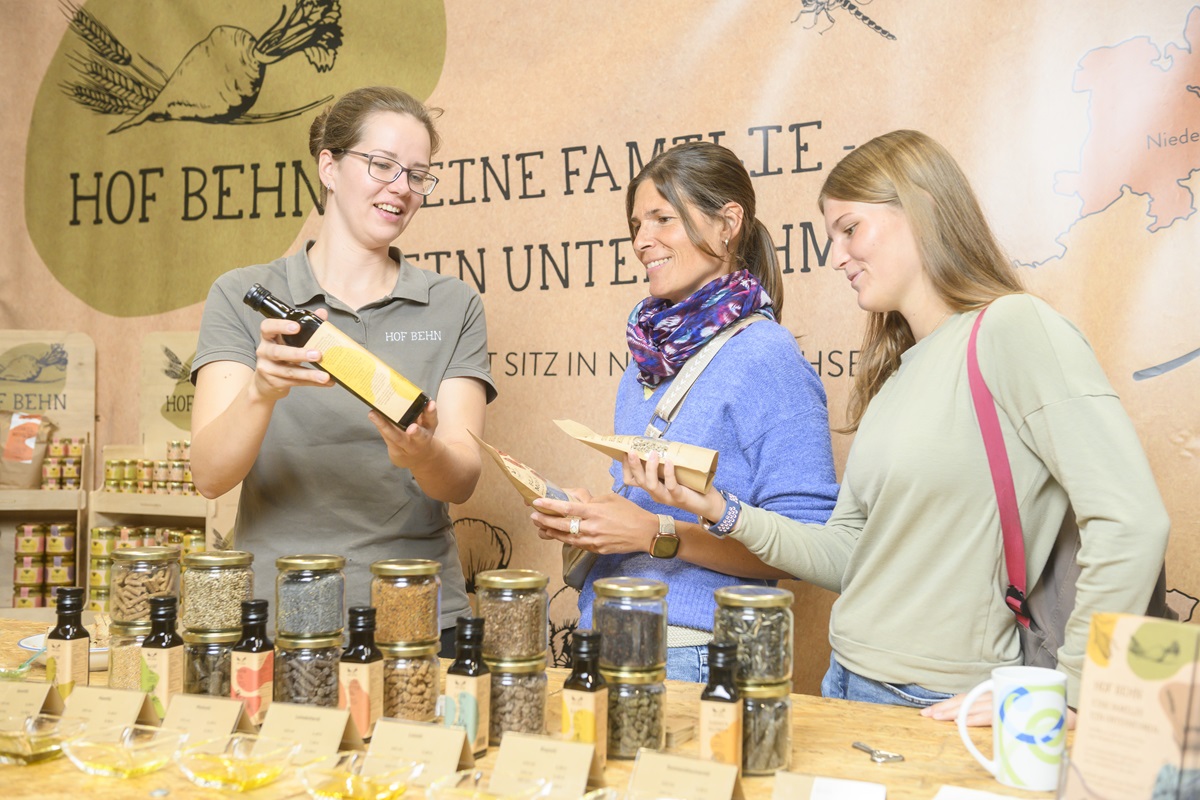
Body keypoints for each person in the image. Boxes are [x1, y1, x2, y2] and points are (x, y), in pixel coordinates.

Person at [625, 129, 1171, 718]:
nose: (837, 257)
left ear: (923, 209)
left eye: (850, 229)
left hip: (941, 700)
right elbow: (847, 555)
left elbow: (1131, 520)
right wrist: (717, 508)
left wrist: (1072, 691)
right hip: (847, 683)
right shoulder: (898, 371)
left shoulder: (1013, 328)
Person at [190, 86, 496, 655]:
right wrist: (261, 391)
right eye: (381, 164)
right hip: (279, 616)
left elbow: (460, 480)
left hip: (418, 612)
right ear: (328, 167)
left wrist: (422, 453)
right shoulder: (242, 295)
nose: (401, 187)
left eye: (418, 175)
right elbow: (209, 476)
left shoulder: (453, 304)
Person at [530, 141, 839, 683]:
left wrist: (651, 532)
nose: (641, 240)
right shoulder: (647, 360)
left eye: (662, 219)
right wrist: (594, 517)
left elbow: (807, 547)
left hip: (694, 653)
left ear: (728, 224)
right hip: (607, 634)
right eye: (636, 225)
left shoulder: (766, 355)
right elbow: (647, 505)